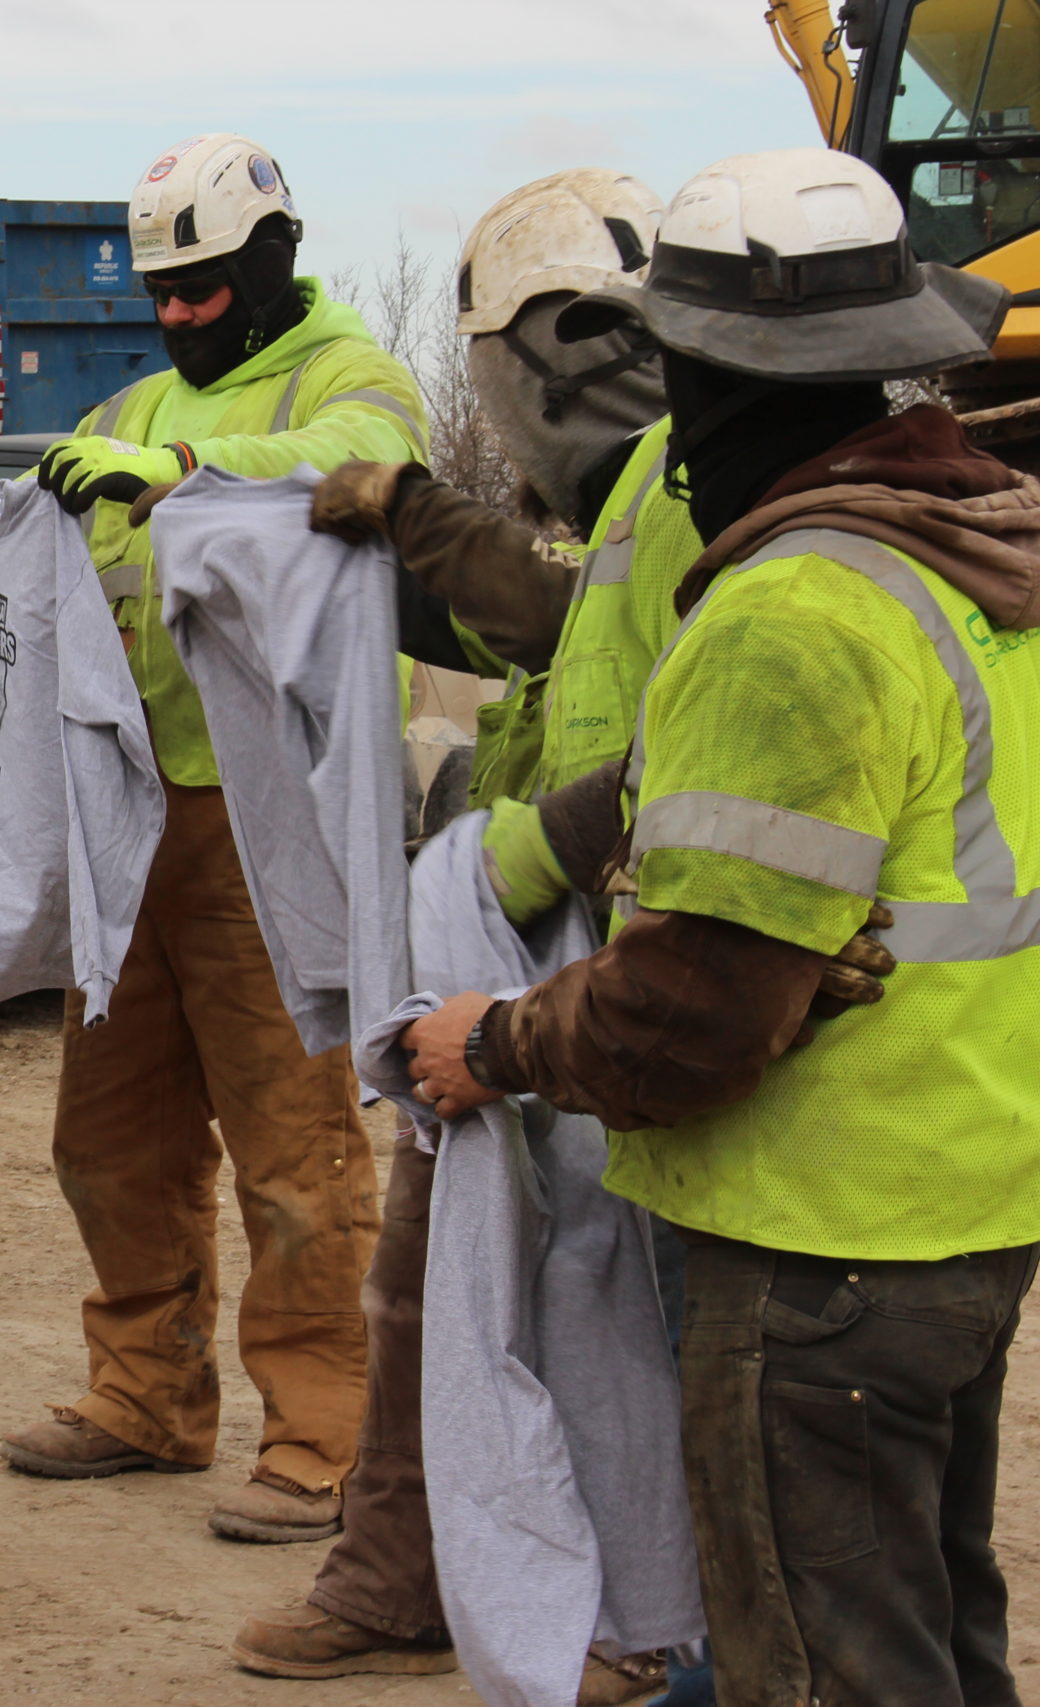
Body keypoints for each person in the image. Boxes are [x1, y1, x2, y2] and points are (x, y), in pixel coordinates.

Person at [403, 147, 1032, 1707]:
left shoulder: (796, 614)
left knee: (823, 1667)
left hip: (822, 1239)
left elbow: (689, 1017)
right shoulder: (986, 564)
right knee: (932, 1640)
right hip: (969, 1207)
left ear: (707, 372)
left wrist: (488, 1041)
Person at [0, 134, 425, 1541]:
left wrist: (177, 463)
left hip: (269, 823)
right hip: (133, 825)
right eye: (164, 290)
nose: (177, 313)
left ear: (272, 263)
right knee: (111, 1133)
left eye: (204, 287)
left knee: (295, 1147)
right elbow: (63, 530)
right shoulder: (142, 397)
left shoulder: (346, 377)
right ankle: (146, 1392)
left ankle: (328, 1432)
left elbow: (359, 468)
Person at [225, 169, 686, 1700]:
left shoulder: (679, 495)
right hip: (541, 947)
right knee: (455, 1276)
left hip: (606, 952)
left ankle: (630, 1613)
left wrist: (417, 511)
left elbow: (564, 632)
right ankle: (410, 1566)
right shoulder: (636, 502)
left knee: (591, 1297)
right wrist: (356, 569)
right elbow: (524, 625)